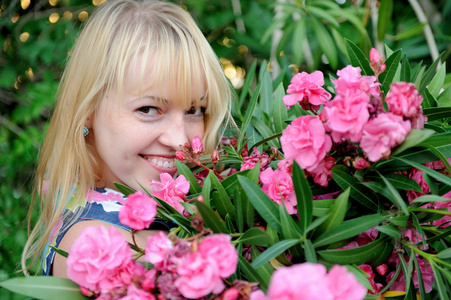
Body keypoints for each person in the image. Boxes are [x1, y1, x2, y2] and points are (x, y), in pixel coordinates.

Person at [21, 0, 232, 277]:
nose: (180, 139)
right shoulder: (97, 249)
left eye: (195, 110)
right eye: (148, 109)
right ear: (88, 110)